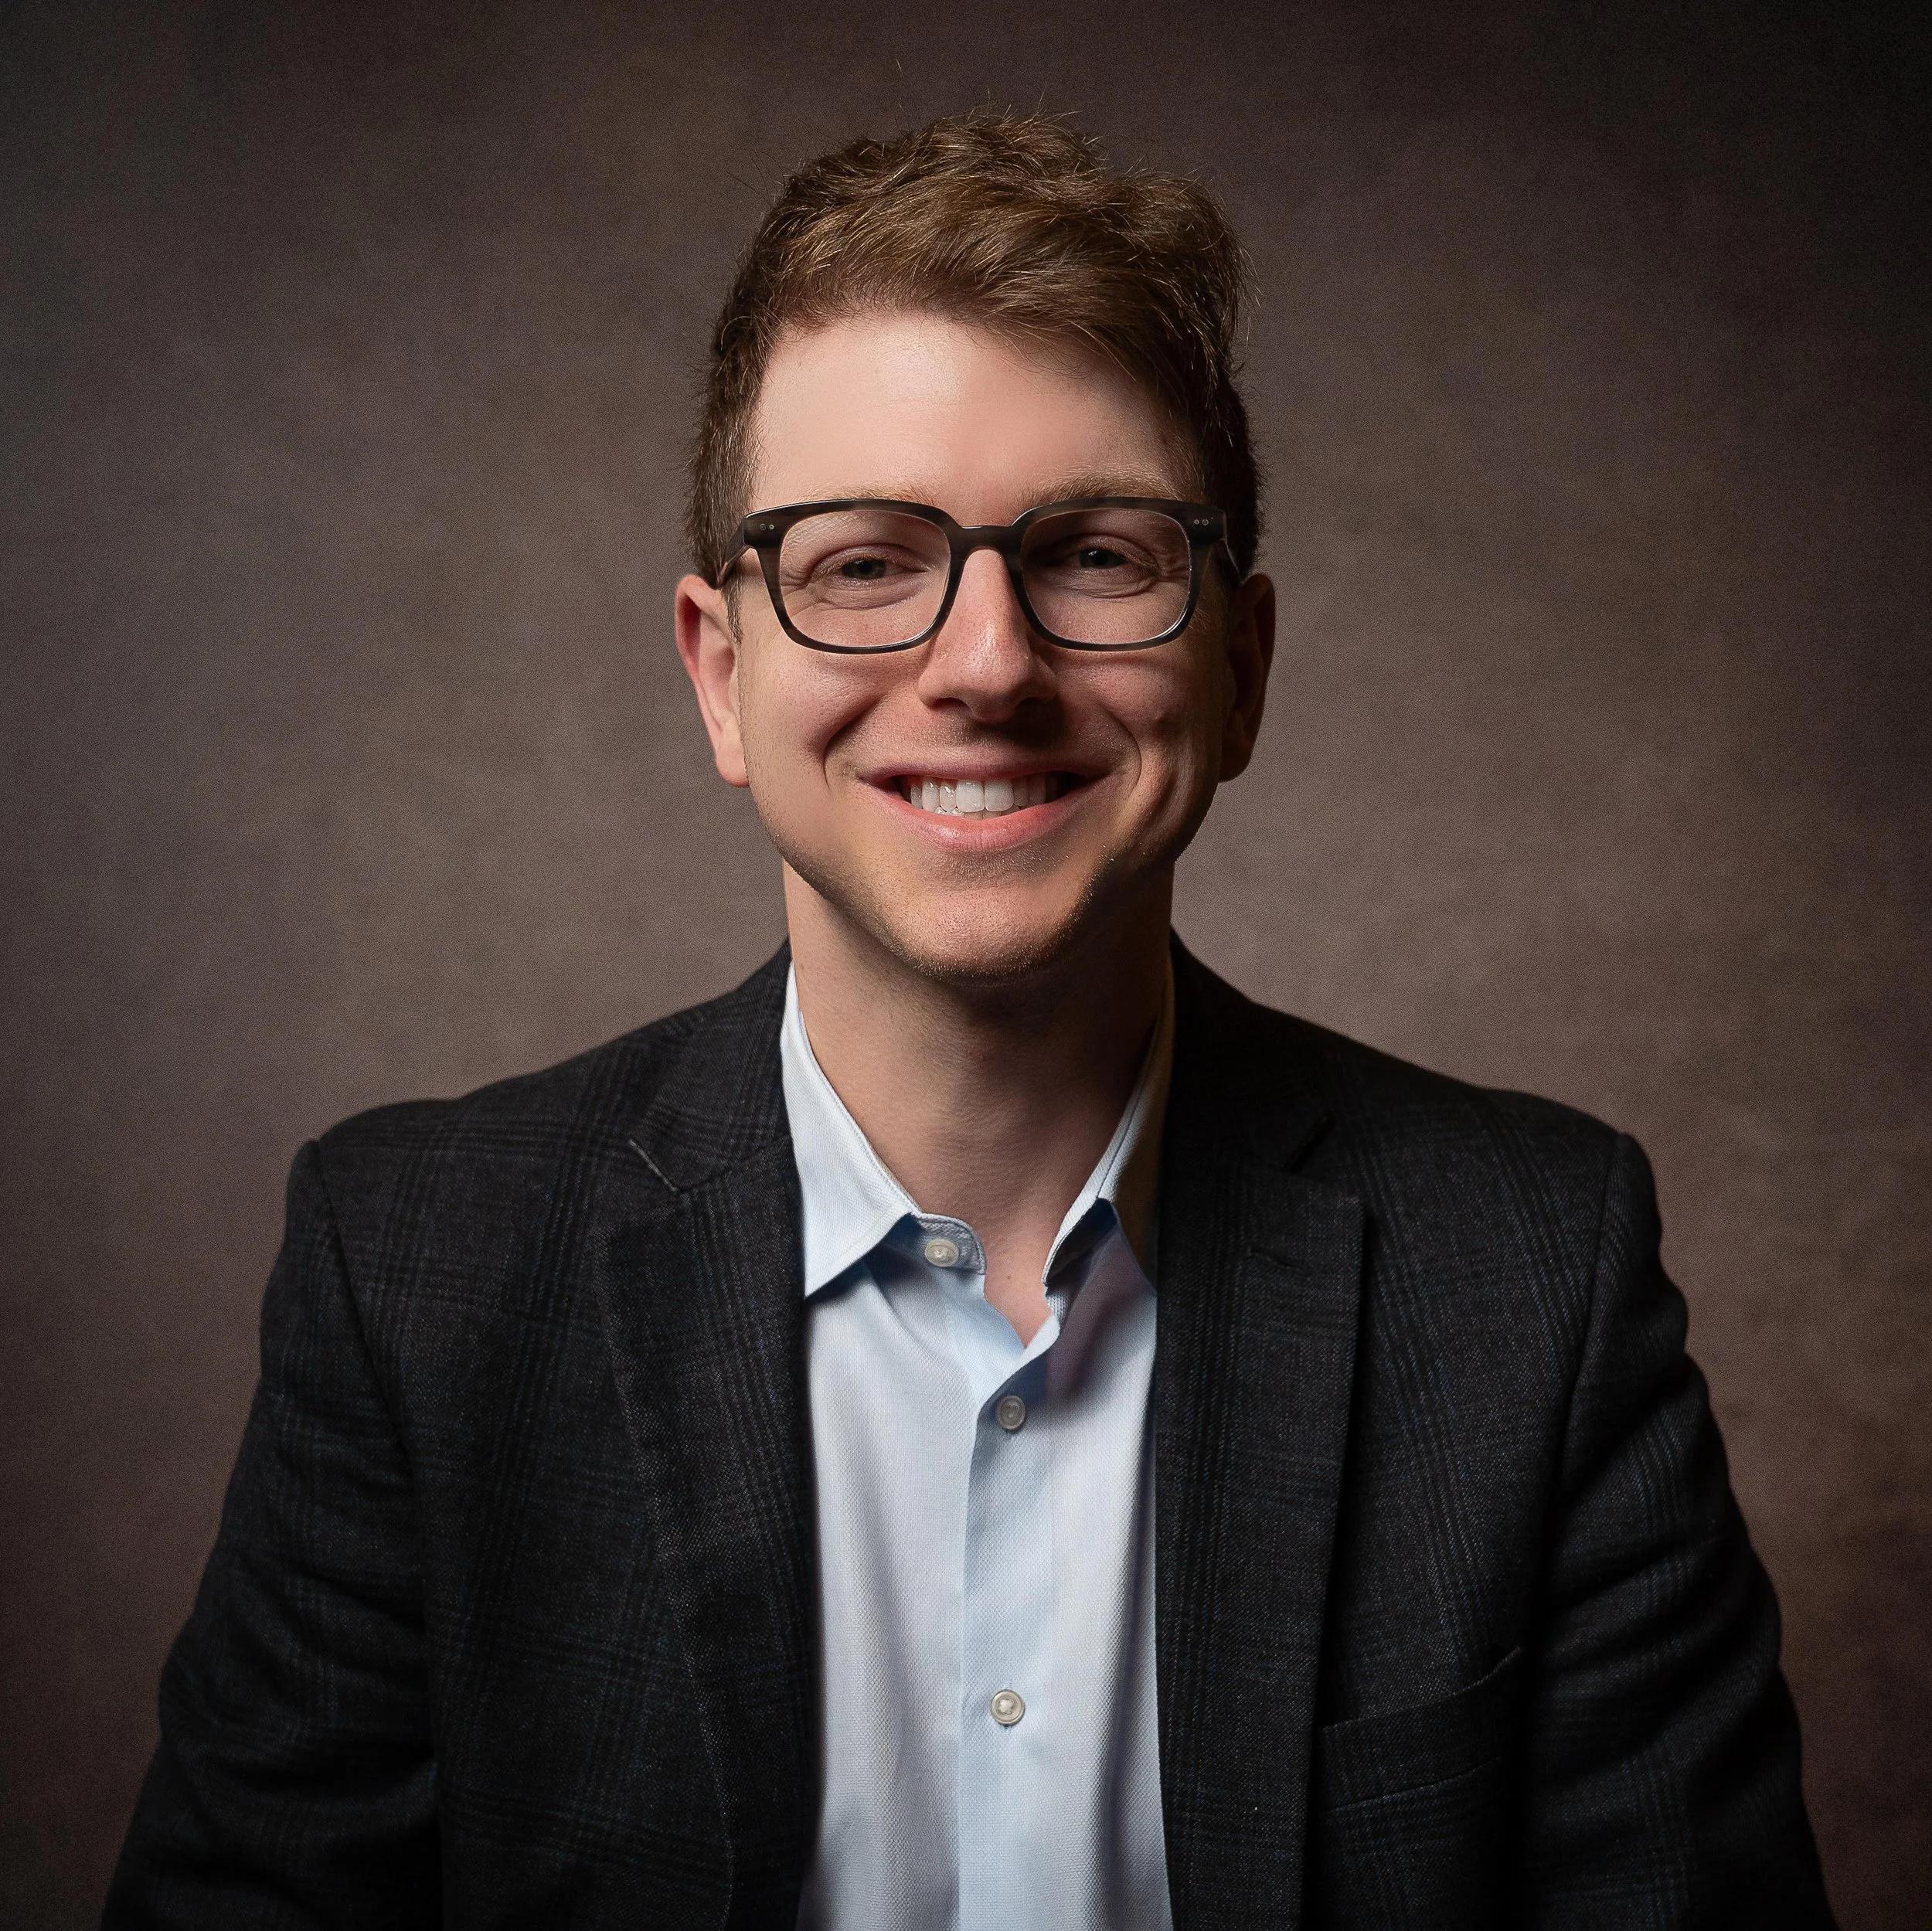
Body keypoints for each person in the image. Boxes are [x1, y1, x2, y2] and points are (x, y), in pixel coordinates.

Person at [106, 113, 1835, 1930]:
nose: (987, 662)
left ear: (1238, 668)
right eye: (863, 562)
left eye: (1094, 553)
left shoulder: (1535, 1278)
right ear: (720, 670)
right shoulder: (417, 1278)